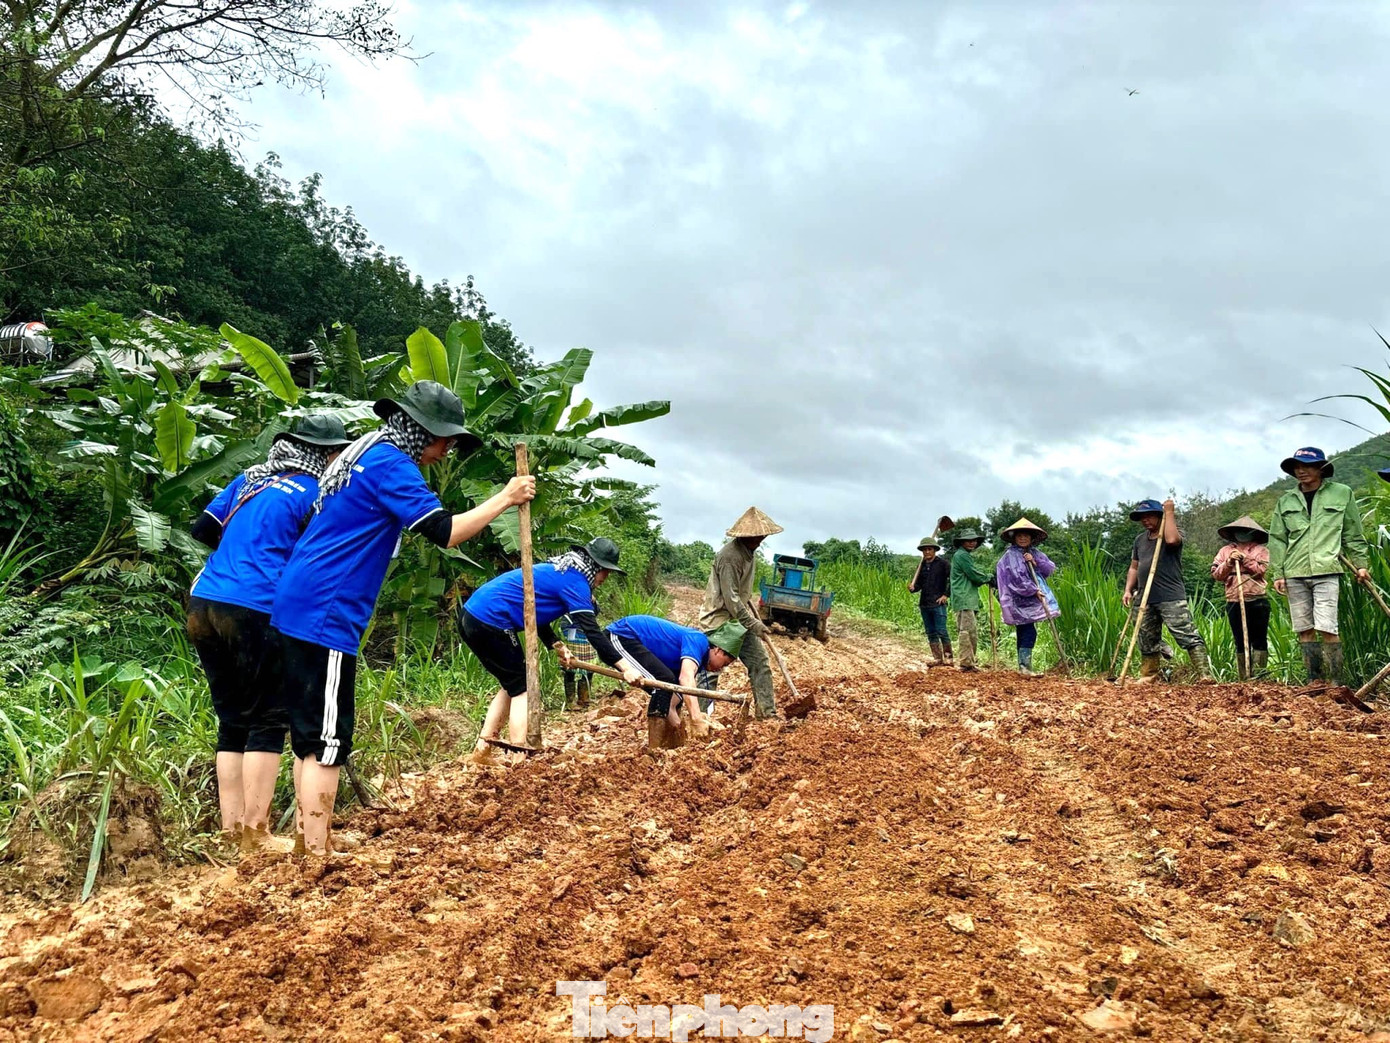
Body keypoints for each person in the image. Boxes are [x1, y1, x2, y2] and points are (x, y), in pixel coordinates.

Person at [270, 381, 536, 856]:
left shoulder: (362, 450)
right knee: (328, 740)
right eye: (445, 440)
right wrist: (506, 497)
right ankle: (315, 854)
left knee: (311, 735)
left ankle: (311, 839)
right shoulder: (391, 463)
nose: (446, 451)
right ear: (421, 430)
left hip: (299, 600)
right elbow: (445, 531)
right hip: (327, 608)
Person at [187, 415, 352, 850]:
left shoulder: (249, 480)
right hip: (256, 605)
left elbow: (202, 529)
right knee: (269, 718)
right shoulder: (317, 493)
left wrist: (241, 552)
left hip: (205, 600)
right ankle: (256, 833)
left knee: (232, 719)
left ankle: (231, 830)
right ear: (325, 454)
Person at [459, 537, 641, 757]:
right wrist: (625, 668)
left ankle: (483, 750)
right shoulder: (575, 582)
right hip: (492, 619)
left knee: (513, 684)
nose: (606, 578)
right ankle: (518, 756)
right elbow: (593, 633)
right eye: (606, 572)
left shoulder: (557, 572)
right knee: (523, 688)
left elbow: (535, 613)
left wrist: (556, 645)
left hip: (470, 616)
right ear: (597, 567)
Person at [1268, 447, 1370, 687]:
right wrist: (1278, 573)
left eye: (1308, 466)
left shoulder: (1342, 494)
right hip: (1294, 572)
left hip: (1327, 570)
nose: (1301, 471)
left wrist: (1361, 565)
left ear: (1321, 468)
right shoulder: (1286, 501)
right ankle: (1314, 681)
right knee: (1304, 628)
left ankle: (1336, 683)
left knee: (1327, 626)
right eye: (1297, 466)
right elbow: (1278, 539)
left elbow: (1353, 533)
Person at [581, 615, 745, 750]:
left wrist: (679, 725)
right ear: (717, 650)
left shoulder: (701, 659)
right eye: (723, 664)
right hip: (622, 636)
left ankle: (672, 746)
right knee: (664, 684)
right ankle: (654, 750)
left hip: (634, 642)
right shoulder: (699, 641)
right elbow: (686, 678)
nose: (720, 669)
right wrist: (696, 719)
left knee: (675, 694)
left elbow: (678, 692)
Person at [699, 507, 782, 718]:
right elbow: (732, 600)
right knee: (711, 669)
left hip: (738, 620)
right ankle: (700, 718)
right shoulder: (729, 557)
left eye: (763, 535)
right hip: (720, 621)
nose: (761, 539)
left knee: (759, 663)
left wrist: (749, 612)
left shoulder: (749, 554)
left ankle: (767, 714)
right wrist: (755, 624)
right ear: (745, 535)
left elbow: (740, 595)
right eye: (757, 535)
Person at [1122, 498, 1212, 683]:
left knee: (1185, 633)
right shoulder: (1140, 540)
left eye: (1149, 516)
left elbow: (1172, 540)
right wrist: (1128, 590)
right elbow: (1134, 567)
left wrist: (1169, 512)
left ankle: (1205, 675)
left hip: (1170, 596)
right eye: (1142, 518)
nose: (1145, 521)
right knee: (1145, 636)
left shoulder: (1171, 533)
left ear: (1159, 516)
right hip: (1145, 596)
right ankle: (1149, 676)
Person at [994, 518, 1058, 677]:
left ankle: (1024, 668)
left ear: (1031, 538)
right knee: (1028, 631)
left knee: (1024, 630)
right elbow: (1016, 577)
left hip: (1030, 599)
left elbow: (1049, 568)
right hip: (1019, 599)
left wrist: (1034, 561)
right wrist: (1032, 590)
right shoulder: (1011, 555)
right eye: (1020, 536)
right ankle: (1025, 667)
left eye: (1026, 536)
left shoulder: (1034, 552)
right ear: (1015, 537)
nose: (1023, 538)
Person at [1210, 516, 1272, 679]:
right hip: (1234, 600)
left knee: (1259, 639)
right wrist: (1229, 561)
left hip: (1257, 600)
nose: (1242, 534)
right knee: (1240, 640)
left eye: (1246, 531)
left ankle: (1259, 677)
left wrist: (1245, 559)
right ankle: (1244, 677)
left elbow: (1262, 571)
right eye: (1239, 531)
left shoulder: (1261, 551)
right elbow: (1216, 574)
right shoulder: (1224, 551)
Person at [949, 527, 994, 672]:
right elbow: (973, 574)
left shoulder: (963, 555)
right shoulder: (962, 556)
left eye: (973, 540)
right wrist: (988, 578)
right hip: (964, 598)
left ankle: (969, 662)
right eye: (968, 541)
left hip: (967, 598)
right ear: (962, 542)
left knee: (971, 631)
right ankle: (966, 663)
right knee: (967, 632)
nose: (971, 543)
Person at [907, 537, 951, 665]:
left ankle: (948, 658)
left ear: (934, 550)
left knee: (941, 630)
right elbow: (919, 585)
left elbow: (953, 580)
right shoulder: (921, 566)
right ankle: (937, 658)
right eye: (924, 550)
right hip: (925, 604)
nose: (927, 552)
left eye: (929, 549)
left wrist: (945, 595)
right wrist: (913, 588)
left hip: (938, 604)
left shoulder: (943, 564)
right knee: (930, 632)